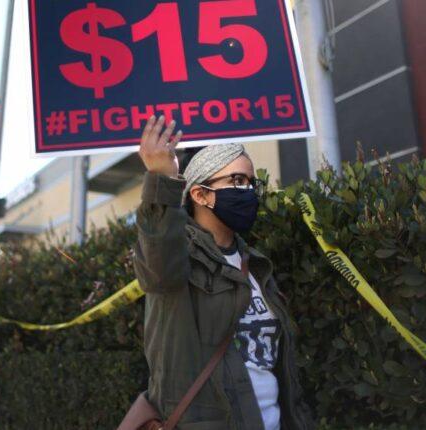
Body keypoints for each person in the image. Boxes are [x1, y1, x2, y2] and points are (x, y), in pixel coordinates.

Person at [134, 115, 313, 430]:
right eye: (237, 181)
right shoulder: (179, 260)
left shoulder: (257, 266)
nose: (248, 191)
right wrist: (162, 180)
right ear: (200, 195)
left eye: (251, 182)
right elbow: (158, 263)